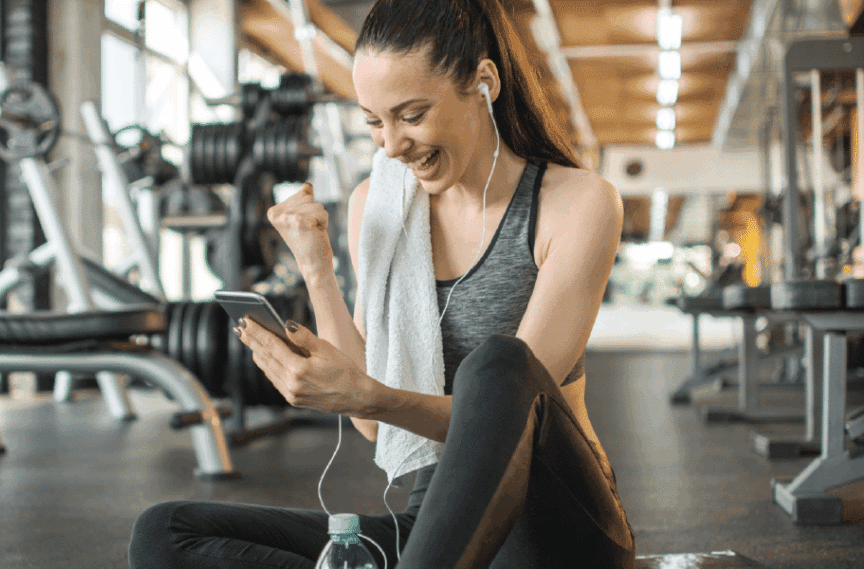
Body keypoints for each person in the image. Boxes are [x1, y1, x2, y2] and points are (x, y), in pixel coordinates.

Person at [128, 0, 636, 567]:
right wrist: (317, 266)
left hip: (555, 524)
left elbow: (511, 415)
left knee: (500, 367)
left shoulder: (576, 203)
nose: (391, 145)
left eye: (412, 115)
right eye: (374, 121)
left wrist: (368, 395)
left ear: (484, 84)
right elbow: (371, 426)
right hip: (435, 528)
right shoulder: (382, 206)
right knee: (166, 532)